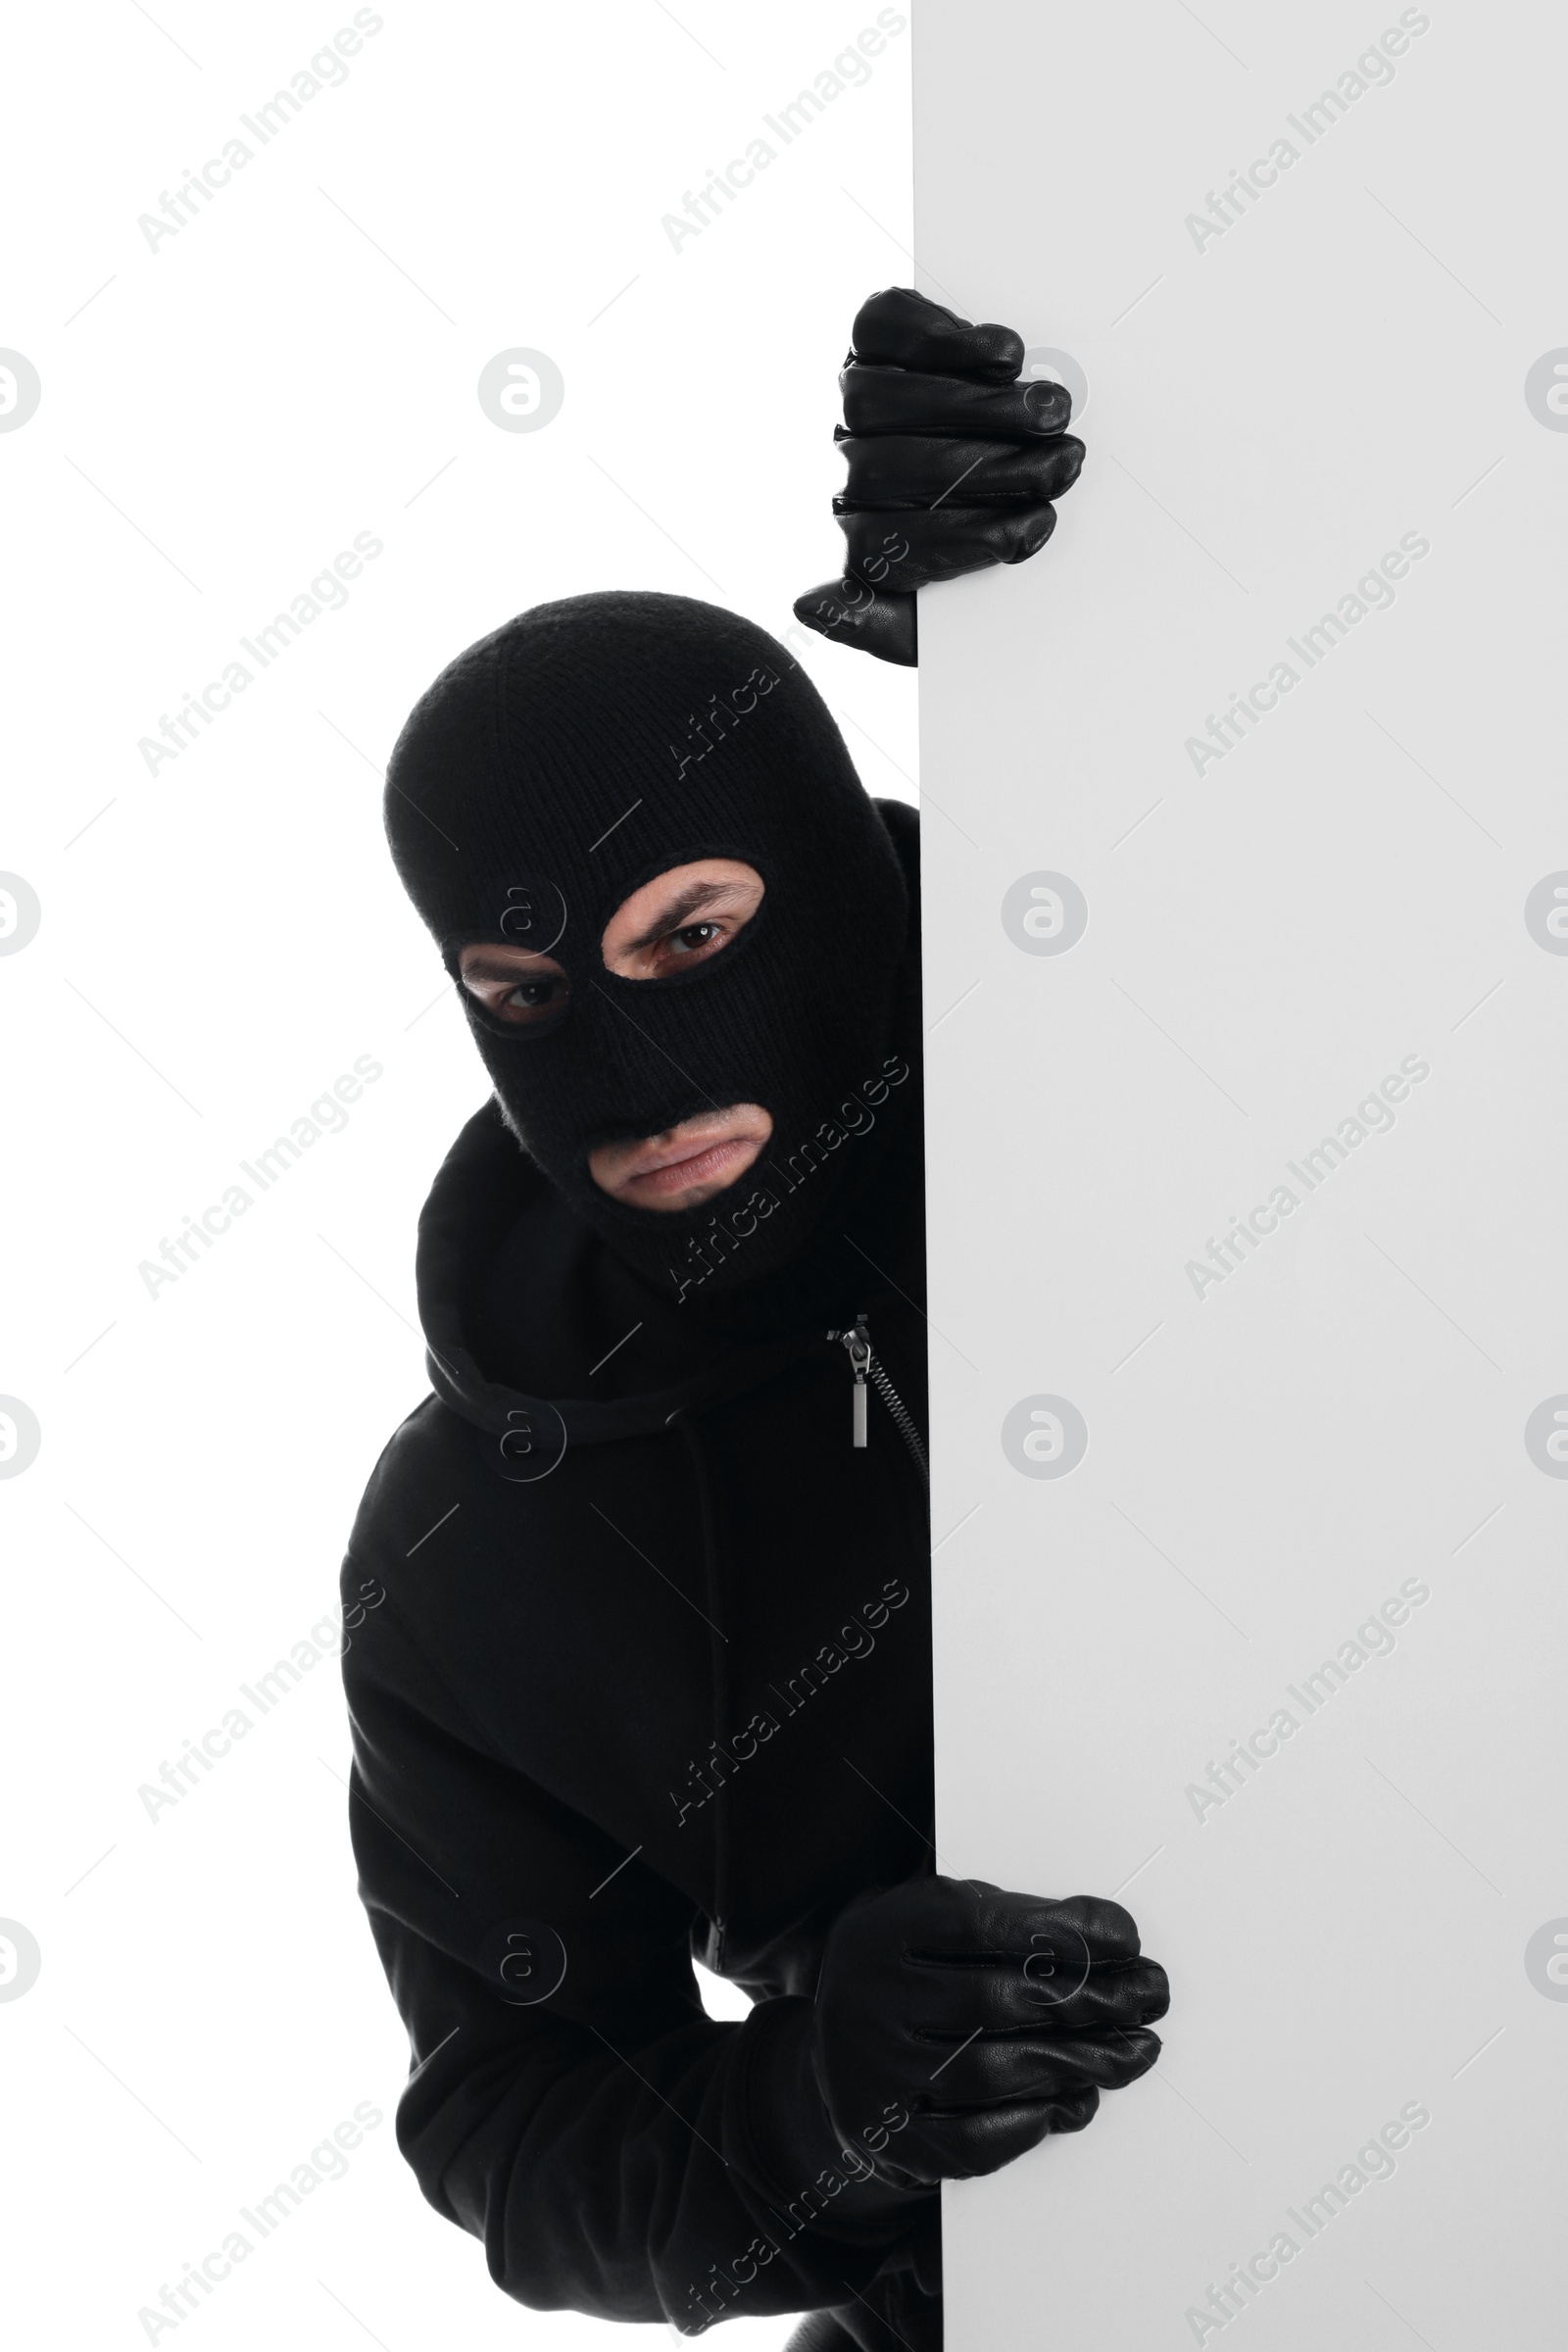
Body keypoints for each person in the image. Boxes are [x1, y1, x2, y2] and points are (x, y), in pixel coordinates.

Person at [338, 290, 1167, 2352]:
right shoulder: (473, 1543)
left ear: (823, 879)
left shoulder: (1132, 1085)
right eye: (526, 992)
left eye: (690, 935)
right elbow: (521, 2132)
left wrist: (1106, 594)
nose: (633, 1061)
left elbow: (1420, 892)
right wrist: (821, 2111)